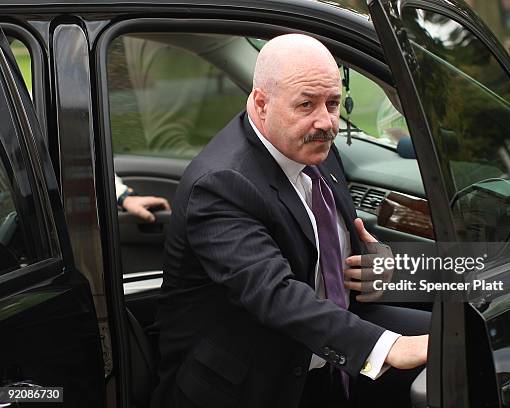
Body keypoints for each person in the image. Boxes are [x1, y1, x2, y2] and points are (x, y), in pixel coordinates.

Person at [152, 34, 428, 408]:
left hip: (322, 351)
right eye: (306, 104)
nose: (326, 122)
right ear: (261, 103)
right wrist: (388, 346)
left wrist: (374, 267)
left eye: (333, 103)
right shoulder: (221, 182)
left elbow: (323, 255)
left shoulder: (314, 148)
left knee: (461, 343)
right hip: (245, 381)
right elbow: (274, 293)